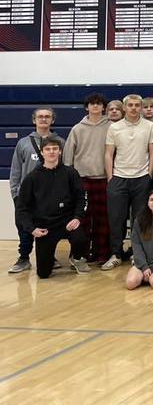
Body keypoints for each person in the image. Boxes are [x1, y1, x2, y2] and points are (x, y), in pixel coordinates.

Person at [14, 136, 90, 278]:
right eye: (47, 149)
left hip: (67, 222)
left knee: (80, 238)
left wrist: (77, 218)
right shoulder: (32, 178)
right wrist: (32, 229)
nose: (51, 152)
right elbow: (21, 208)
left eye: (55, 149)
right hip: (45, 227)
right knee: (43, 274)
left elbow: (81, 197)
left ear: (60, 151)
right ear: (42, 153)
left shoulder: (70, 173)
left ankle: (76, 258)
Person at [102, 94, 153, 271]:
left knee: (140, 219)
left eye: (137, 105)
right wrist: (110, 177)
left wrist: (148, 175)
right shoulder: (114, 127)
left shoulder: (150, 126)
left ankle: (137, 254)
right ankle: (116, 254)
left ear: (141, 108)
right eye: (131, 105)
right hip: (118, 178)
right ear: (124, 108)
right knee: (116, 218)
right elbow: (109, 153)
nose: (134, 108)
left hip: (141, 178)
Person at [7, 107, 65, 274]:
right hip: (26, 195)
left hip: (49, 197)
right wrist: (15, 193)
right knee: (24, 227)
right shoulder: (23, 143)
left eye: (47, 117)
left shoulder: (60, 142)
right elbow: (16, 170)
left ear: (52, 120)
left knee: (48, 227)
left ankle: (49, 256)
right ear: (34, 120)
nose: (44, 119)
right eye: (40, 117)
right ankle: (24, 258)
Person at [63, 93, 111, 265]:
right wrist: (69, 178)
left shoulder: (111, 126)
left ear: (103, 107)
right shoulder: (77, 128)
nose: (95, 107)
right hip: (82, 179)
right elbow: (68, 155)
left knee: (103, 219)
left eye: (99, 104)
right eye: (92, 104)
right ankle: (80, 253)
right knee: (82, 219)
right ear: (87, 107)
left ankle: (102, 253)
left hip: (104, 178)